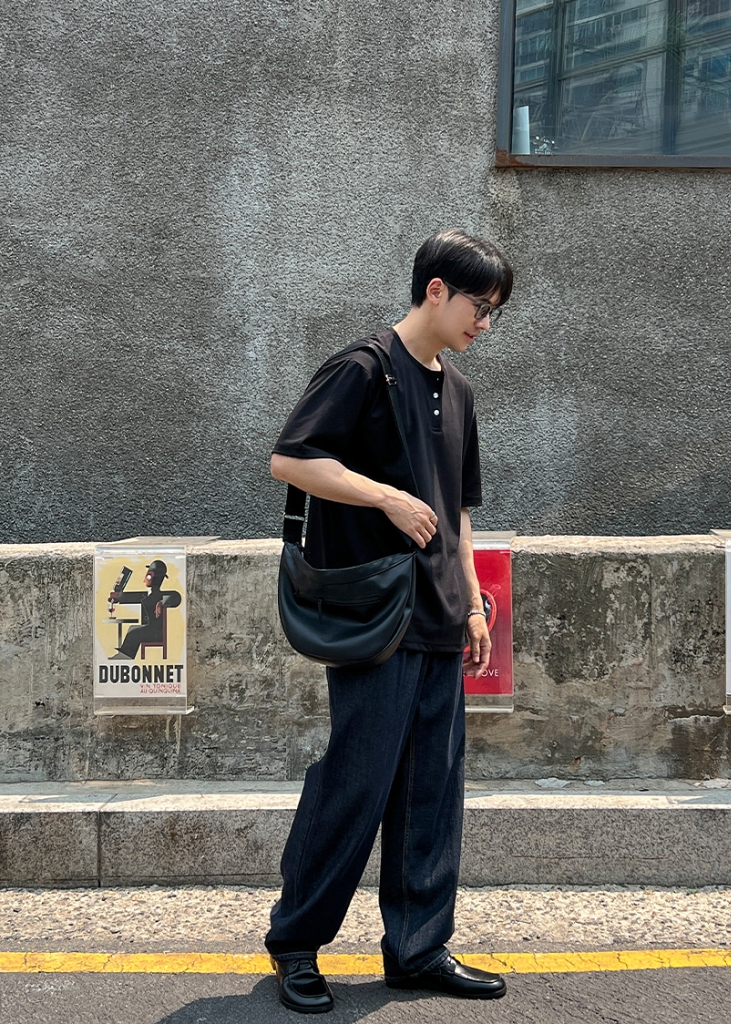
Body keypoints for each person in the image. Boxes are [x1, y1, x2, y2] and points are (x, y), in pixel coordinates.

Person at [266, 228, 514, 1014]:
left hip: (440, 614)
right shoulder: (363, 368)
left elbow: (458, 511)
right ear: (436, 290)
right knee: (356, 783)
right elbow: (290, 459)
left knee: (432, 795)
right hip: (375, 616)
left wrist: (472, 601)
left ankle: (418, 948)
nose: (486, 323)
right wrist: (385, 497)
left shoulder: (460, 391)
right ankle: (296, 944)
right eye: (481, 306)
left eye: (495, 311)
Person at [109, 559, 181, 659]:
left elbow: (177, 597)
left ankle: (124, 657)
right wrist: (118, 597)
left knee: (134, 633)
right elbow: (134, 597)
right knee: (132, 628)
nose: (145, 578)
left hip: (156, 633)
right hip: (149, 629)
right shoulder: (147, 594)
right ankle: (124, 655)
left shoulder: (160, 595)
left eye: (148, 575)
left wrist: (162, 602)